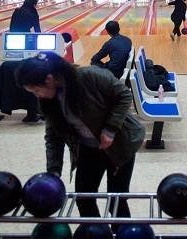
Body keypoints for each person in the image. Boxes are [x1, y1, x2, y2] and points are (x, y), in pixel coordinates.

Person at [15, 52, 145, 227]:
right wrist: (53, 170)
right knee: (83, 198)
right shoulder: (48, 102)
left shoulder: (89, 76)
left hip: (120, 145)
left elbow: (124, 96)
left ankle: (123, 232)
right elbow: (53, 136)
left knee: (116, 199)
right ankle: (97, 233)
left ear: (49, 79)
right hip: (87, 149)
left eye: (36, 90)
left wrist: (110, 128)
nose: (37, 95)